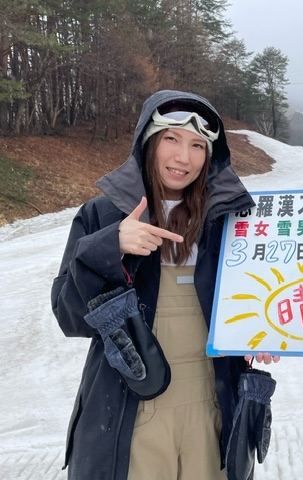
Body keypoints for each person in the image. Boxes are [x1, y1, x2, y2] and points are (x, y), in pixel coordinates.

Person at [51, 89, 277, 480]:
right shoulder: (103, 214)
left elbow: (262, 296)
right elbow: (70, 317)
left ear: (210, 156)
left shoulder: (231, 220)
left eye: (197, 145)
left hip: (212, 407)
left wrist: (267, 329)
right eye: (171, 139)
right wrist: (109, 247)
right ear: (148, 141)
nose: (182, 158)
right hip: (128, 407)